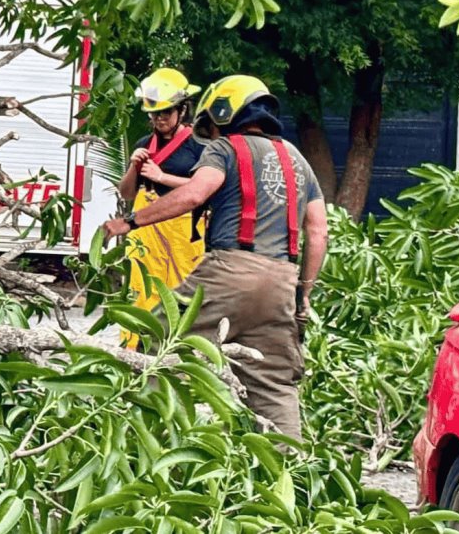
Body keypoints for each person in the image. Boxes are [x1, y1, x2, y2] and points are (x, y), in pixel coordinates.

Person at [103, 75, 328, 439]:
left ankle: (143, 444)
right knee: (273, 384)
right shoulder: (297, 158)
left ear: (226, 110)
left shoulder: (224, 149)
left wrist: (131, 221)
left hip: (230, 269)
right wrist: (302, 295)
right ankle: (291, 477)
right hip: (282, 281)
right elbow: (318, 232)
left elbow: (195, 194)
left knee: (156, 338)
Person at [119, 68, 206, 316]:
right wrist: (135, 168)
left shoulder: (198, 146)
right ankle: (137, 347)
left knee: (184, 291)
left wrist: (161, 177)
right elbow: (126, 194)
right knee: (144, 289)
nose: (160, 118)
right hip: (147, 231)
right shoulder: (144, 144)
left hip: (184, 231)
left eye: (166, 112)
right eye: (154, 113)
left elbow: (205, 189)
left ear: (182, 110)